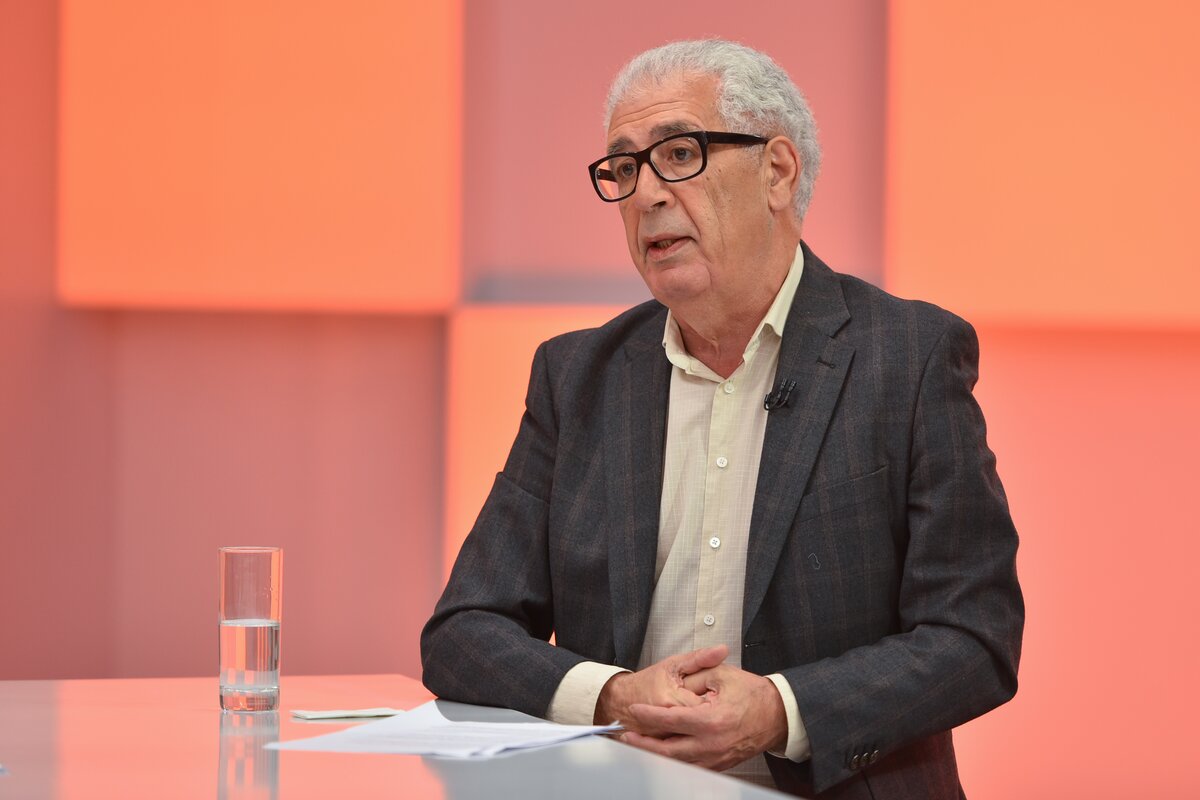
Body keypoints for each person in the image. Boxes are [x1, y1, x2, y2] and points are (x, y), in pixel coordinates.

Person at [422, 39, 1023, 799]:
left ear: (778, 171)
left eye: (678, 154)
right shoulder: (577, 377)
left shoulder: (907, 357)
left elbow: (974, 636)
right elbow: (463, 632)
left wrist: (779, 712)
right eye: (623, 168)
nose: (645, 194)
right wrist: (610, 696)